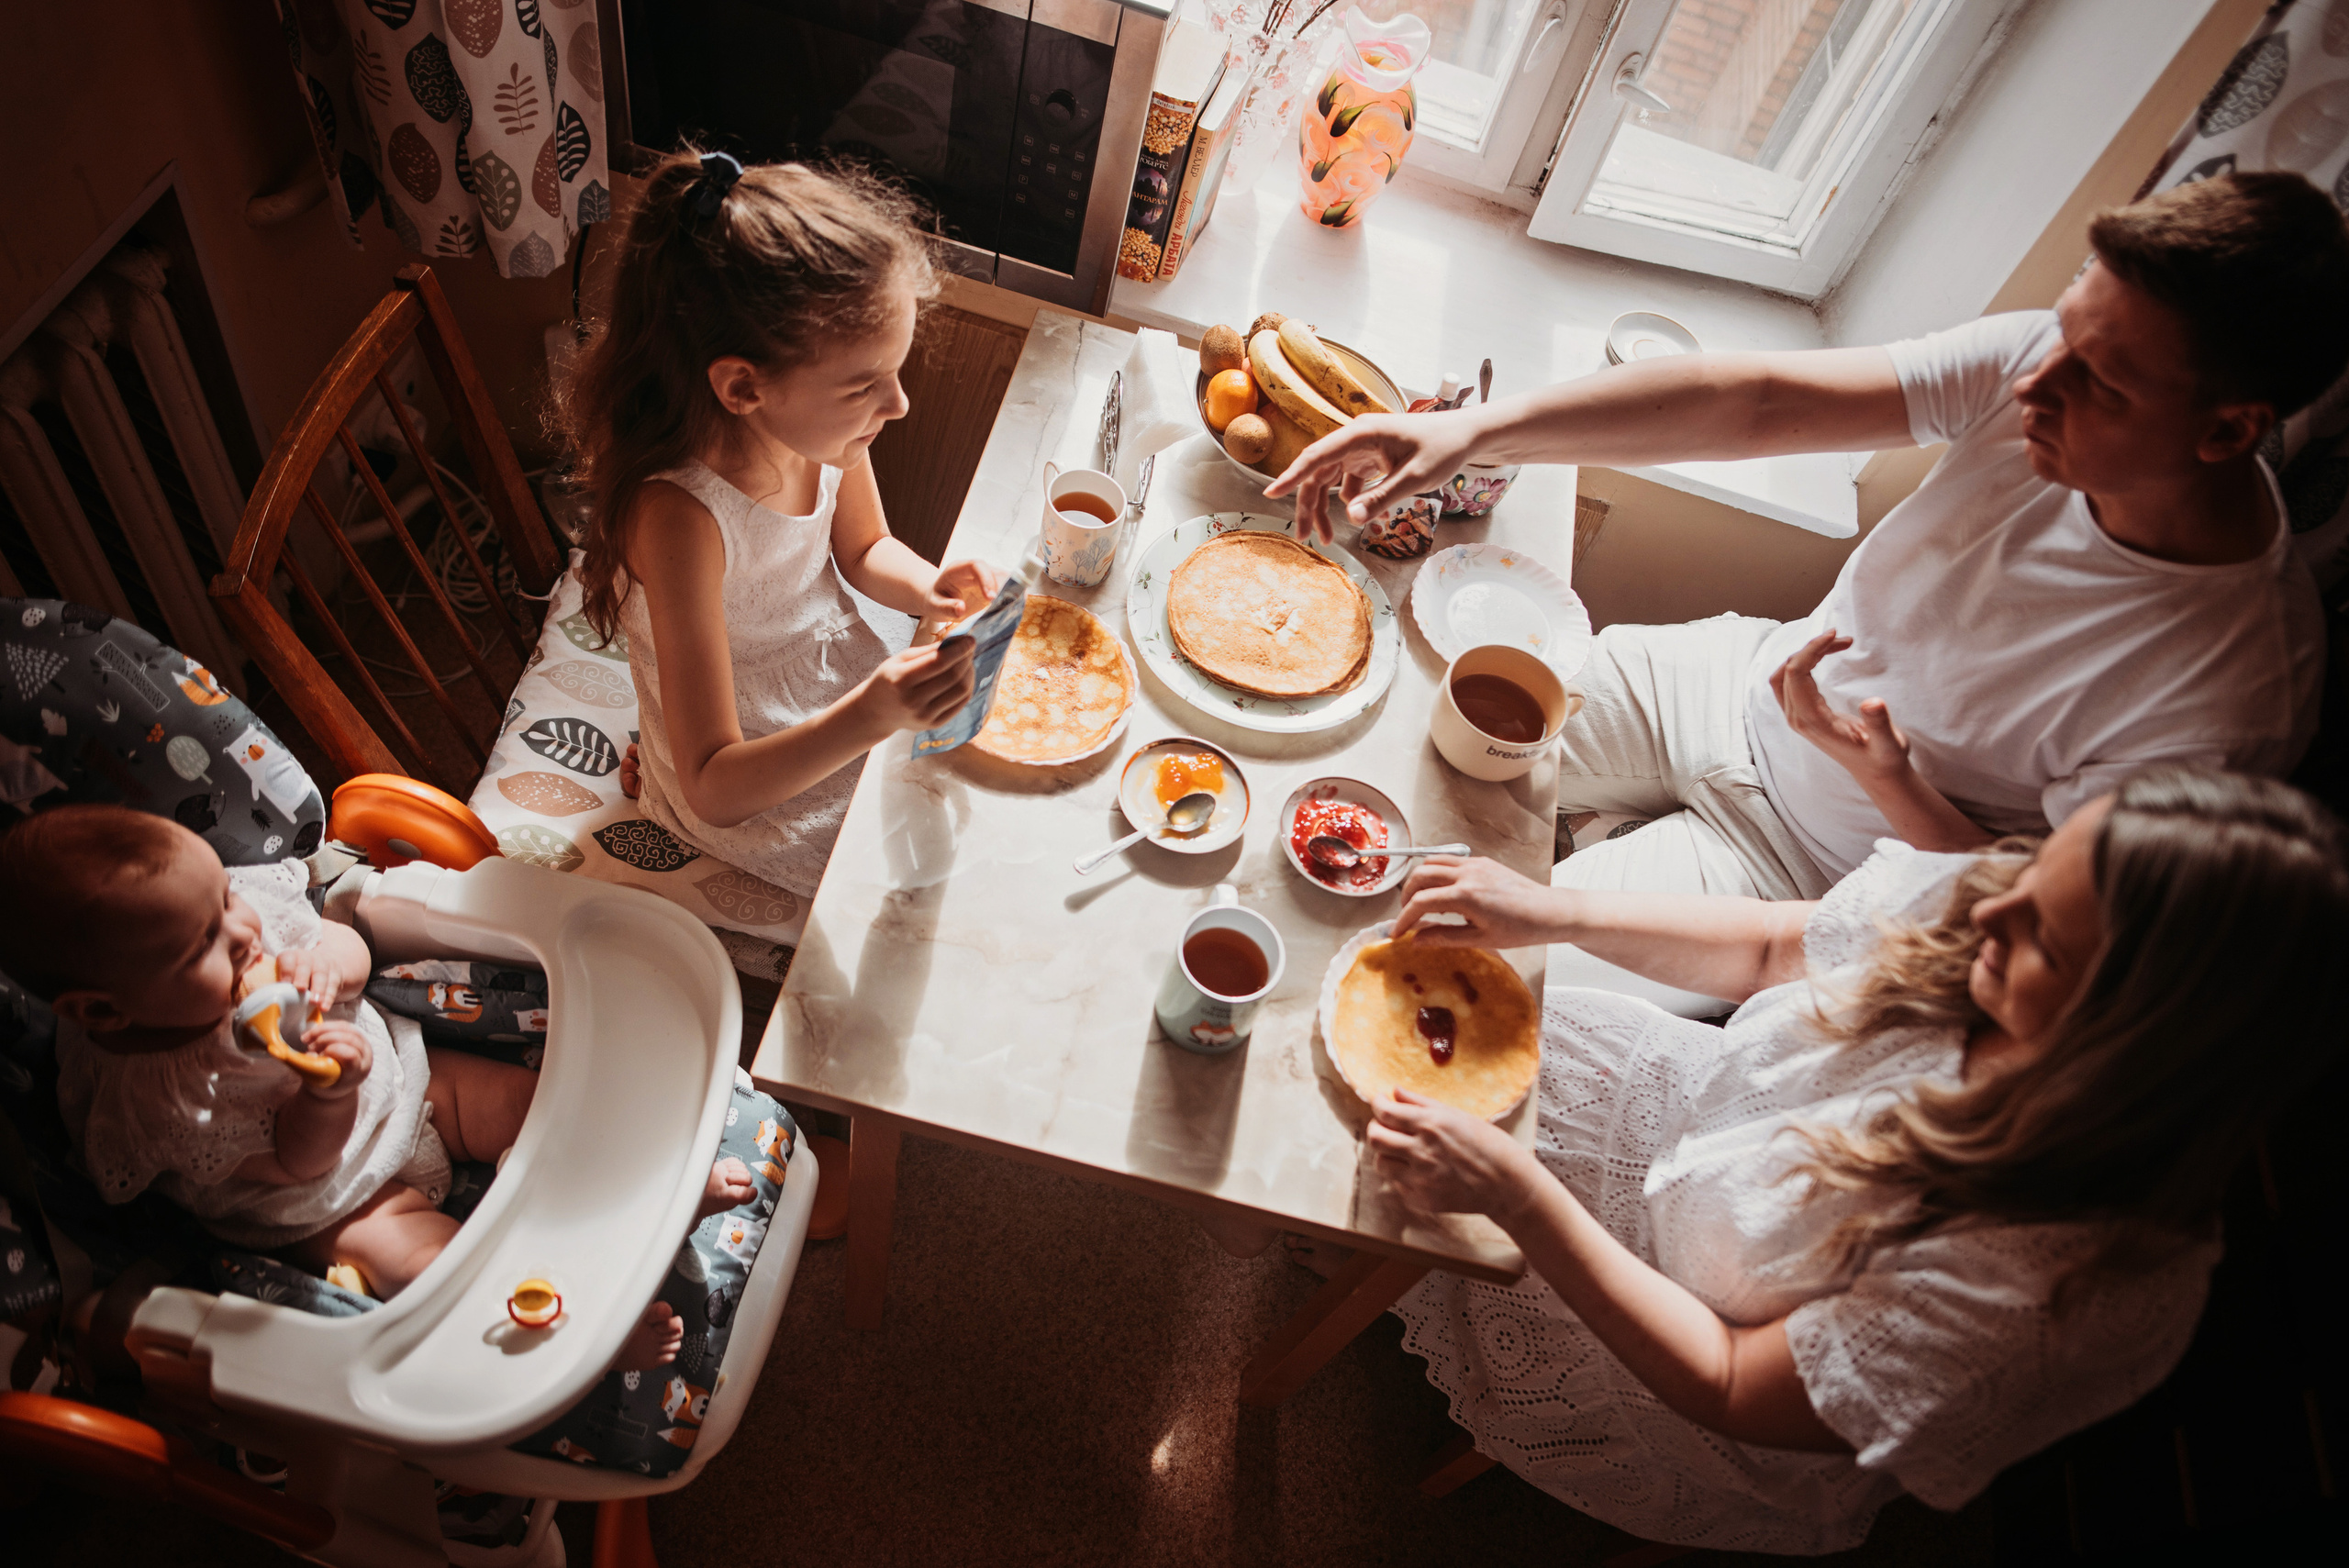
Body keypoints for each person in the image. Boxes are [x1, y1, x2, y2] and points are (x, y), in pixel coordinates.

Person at [1269, 173, 2348, 1006]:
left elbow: (2022, 917)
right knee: (1375, 784)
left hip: (1810, 868)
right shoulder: (2050, 361)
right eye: (2063, 325)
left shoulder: (2230, 699)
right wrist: (1477, 431)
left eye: (2099, 381)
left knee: (1455, 981)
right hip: (1725, 681)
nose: (2036, 381)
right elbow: (1752, 402)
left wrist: (1887, 779)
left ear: (2226, 431)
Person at [1356, 764, 2346, 1553]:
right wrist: (1553, 910)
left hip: (1693, 1349)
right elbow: (1770, 949)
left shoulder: (2044, 1290)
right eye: (2033, 872)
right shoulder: (2008, 908)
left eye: (2044, 940)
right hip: (1679, 1120)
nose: (1988, 913)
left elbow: (1729, 1381)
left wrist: (1522, 1197)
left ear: (2132, 1046)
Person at [0, 806, 751, 1369]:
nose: (242, 933)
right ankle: (587, 1331)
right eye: (202, 944)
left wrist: (332, 961)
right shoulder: (157, 1102)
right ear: (105, 1011)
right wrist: (325, 1094)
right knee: (428, 1270)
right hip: (333, 1200)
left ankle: (659, 1190)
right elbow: (295, 1162)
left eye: (225, 899)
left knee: (532, 1104)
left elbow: (345, 941)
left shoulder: (239, 920)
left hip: (414, 1082)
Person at [564, 150, 1001, 899]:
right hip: (748, 771)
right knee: (920, 875)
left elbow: (866, 547)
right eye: (866, 385)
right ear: (743, 387)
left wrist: (932, 588)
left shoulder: (823, 431)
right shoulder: (680, 521)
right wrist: (869, 715)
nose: (898, 405)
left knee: (972, 796)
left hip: (829, 674)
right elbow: (712, 785)